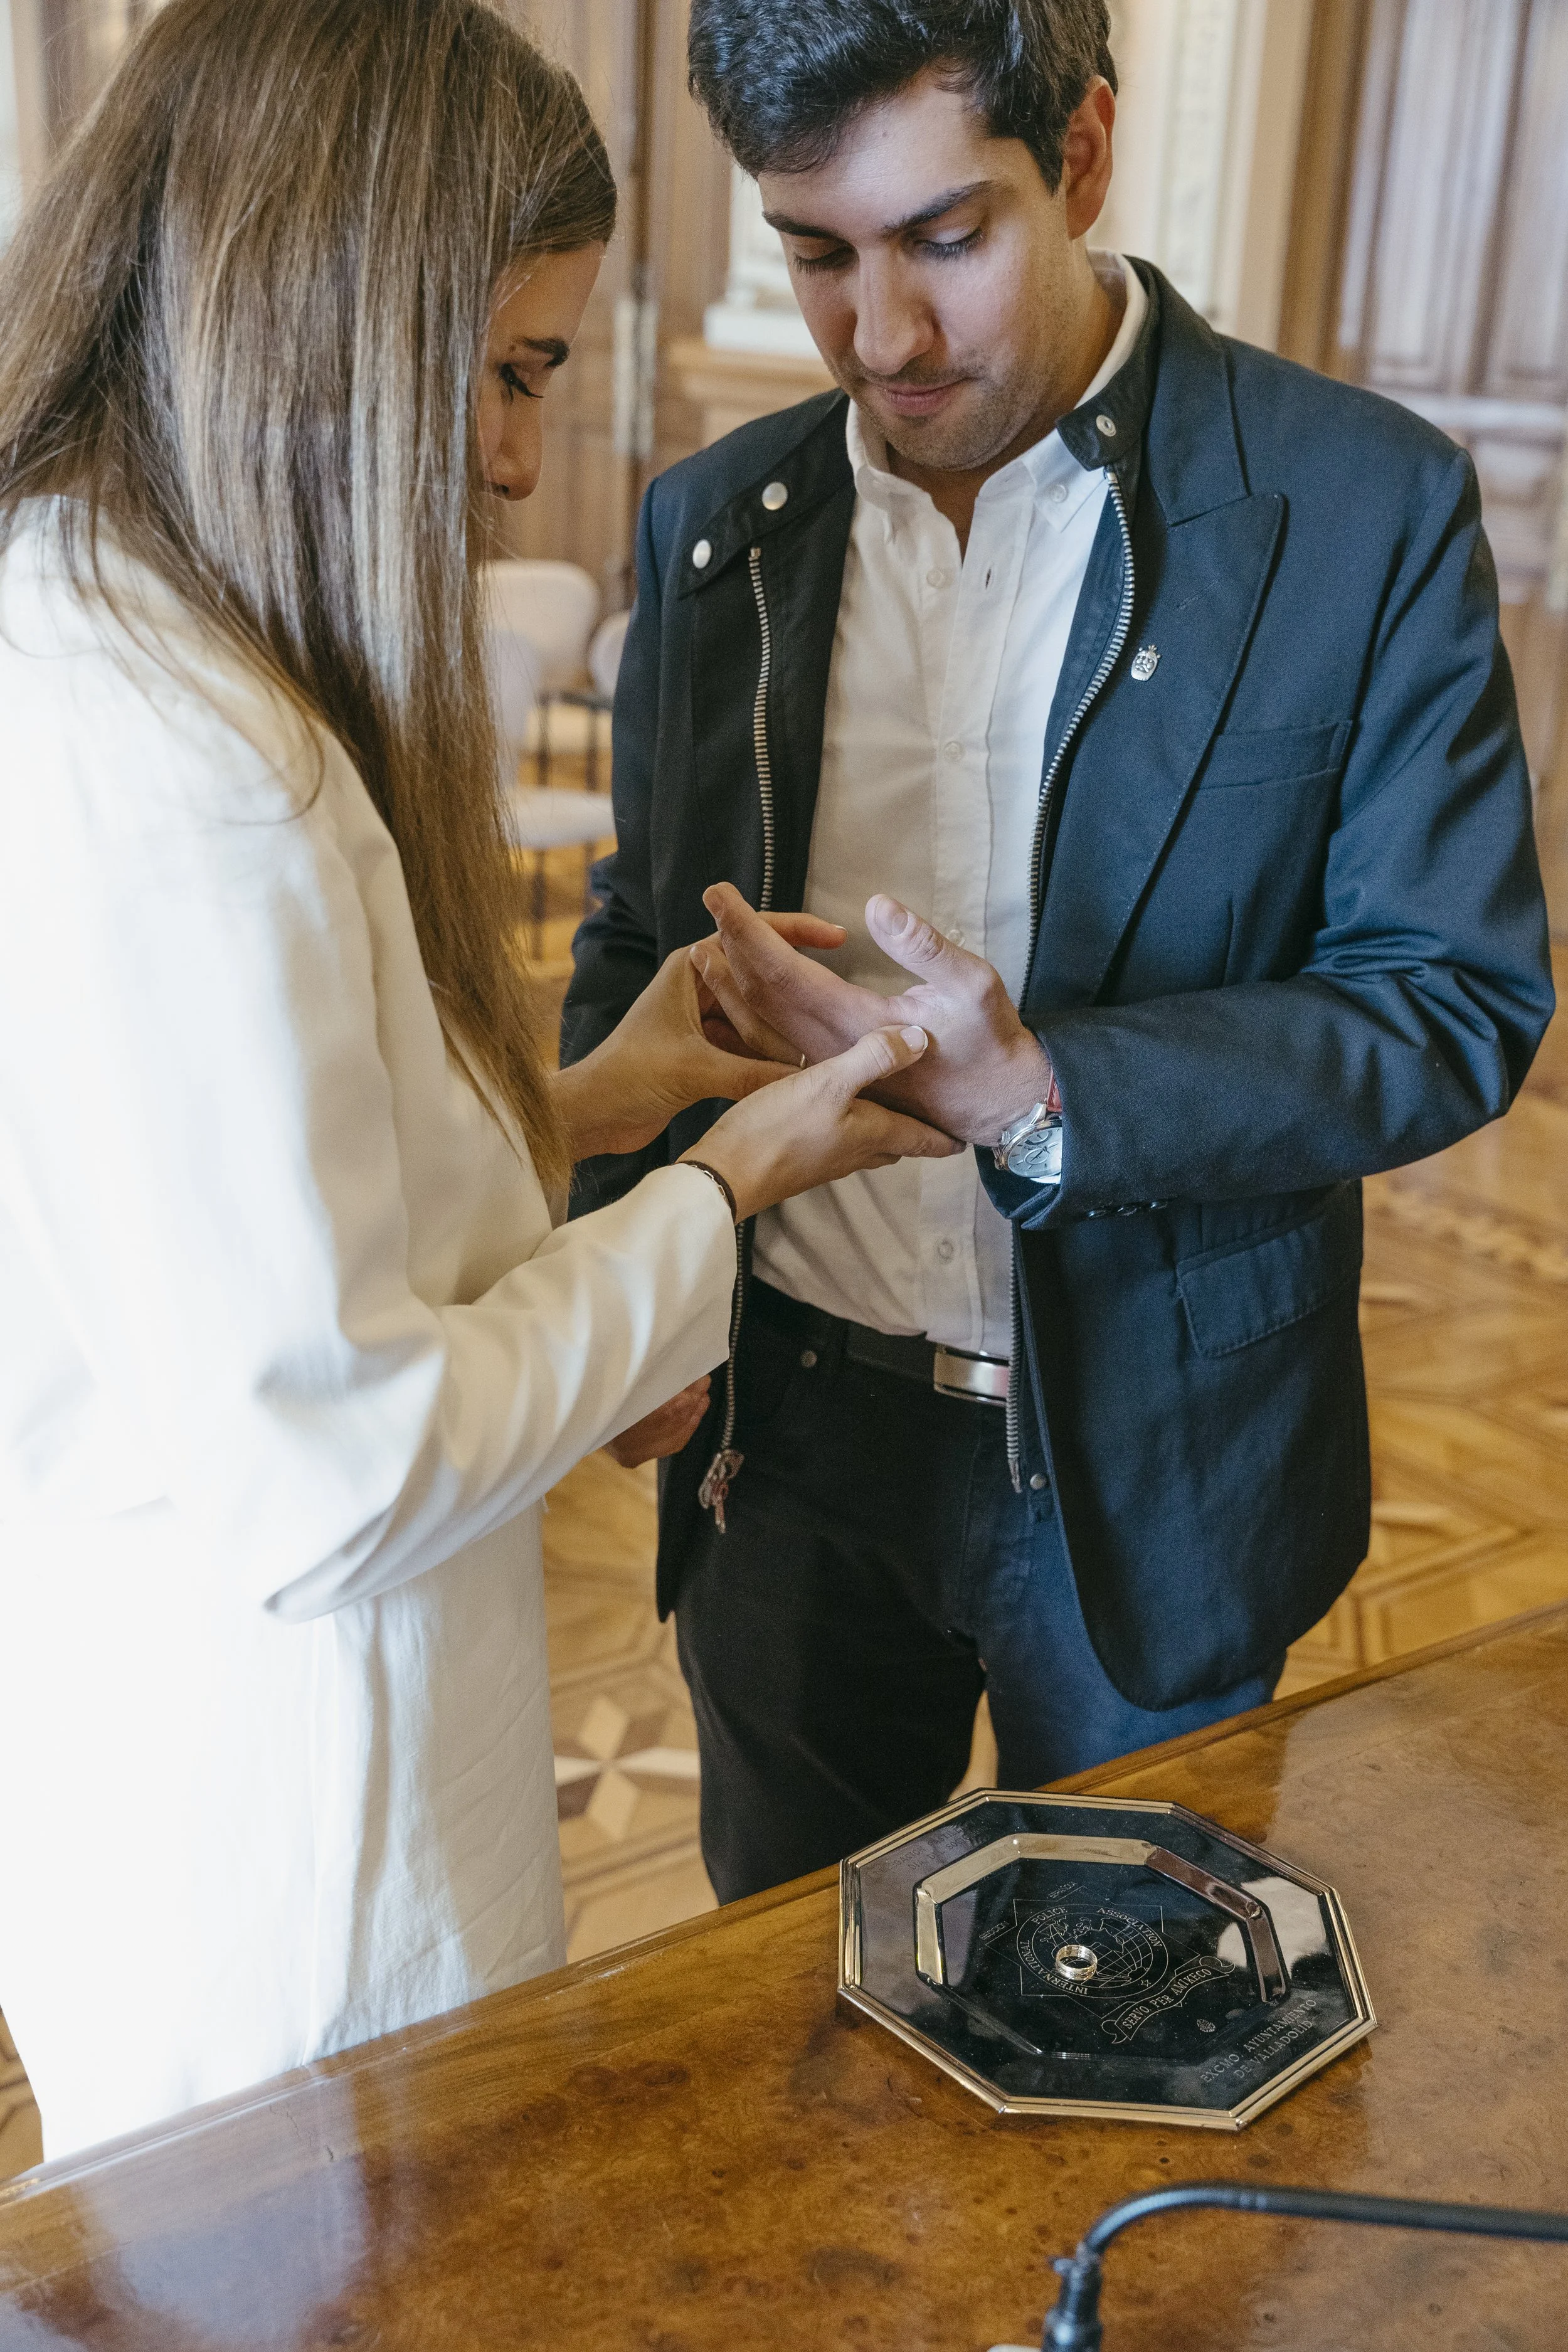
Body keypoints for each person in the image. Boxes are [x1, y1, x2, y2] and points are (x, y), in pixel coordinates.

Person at [0, 0, 958, 2163]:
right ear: (334, 311)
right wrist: (724, 1191)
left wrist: (604, 1096)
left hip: (170, 1759)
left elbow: (262, 1194)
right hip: (297, 1851)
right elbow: (333, 1464)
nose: (522, 463)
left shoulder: (106, 628)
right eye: (513, 370)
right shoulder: (189, 771)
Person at [562, 0, 1555, 1901]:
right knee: (779, 2025)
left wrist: (1040, 1093)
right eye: (815, 253)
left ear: (1081, 153)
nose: (884, 336)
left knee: (1136, 2031)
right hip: (785, 1456)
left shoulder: (1361, 508)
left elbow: (1450, 999)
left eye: (947, 237)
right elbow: (635, 939)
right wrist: (634, 1268)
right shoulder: (713, 527)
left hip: (1161, 1458)